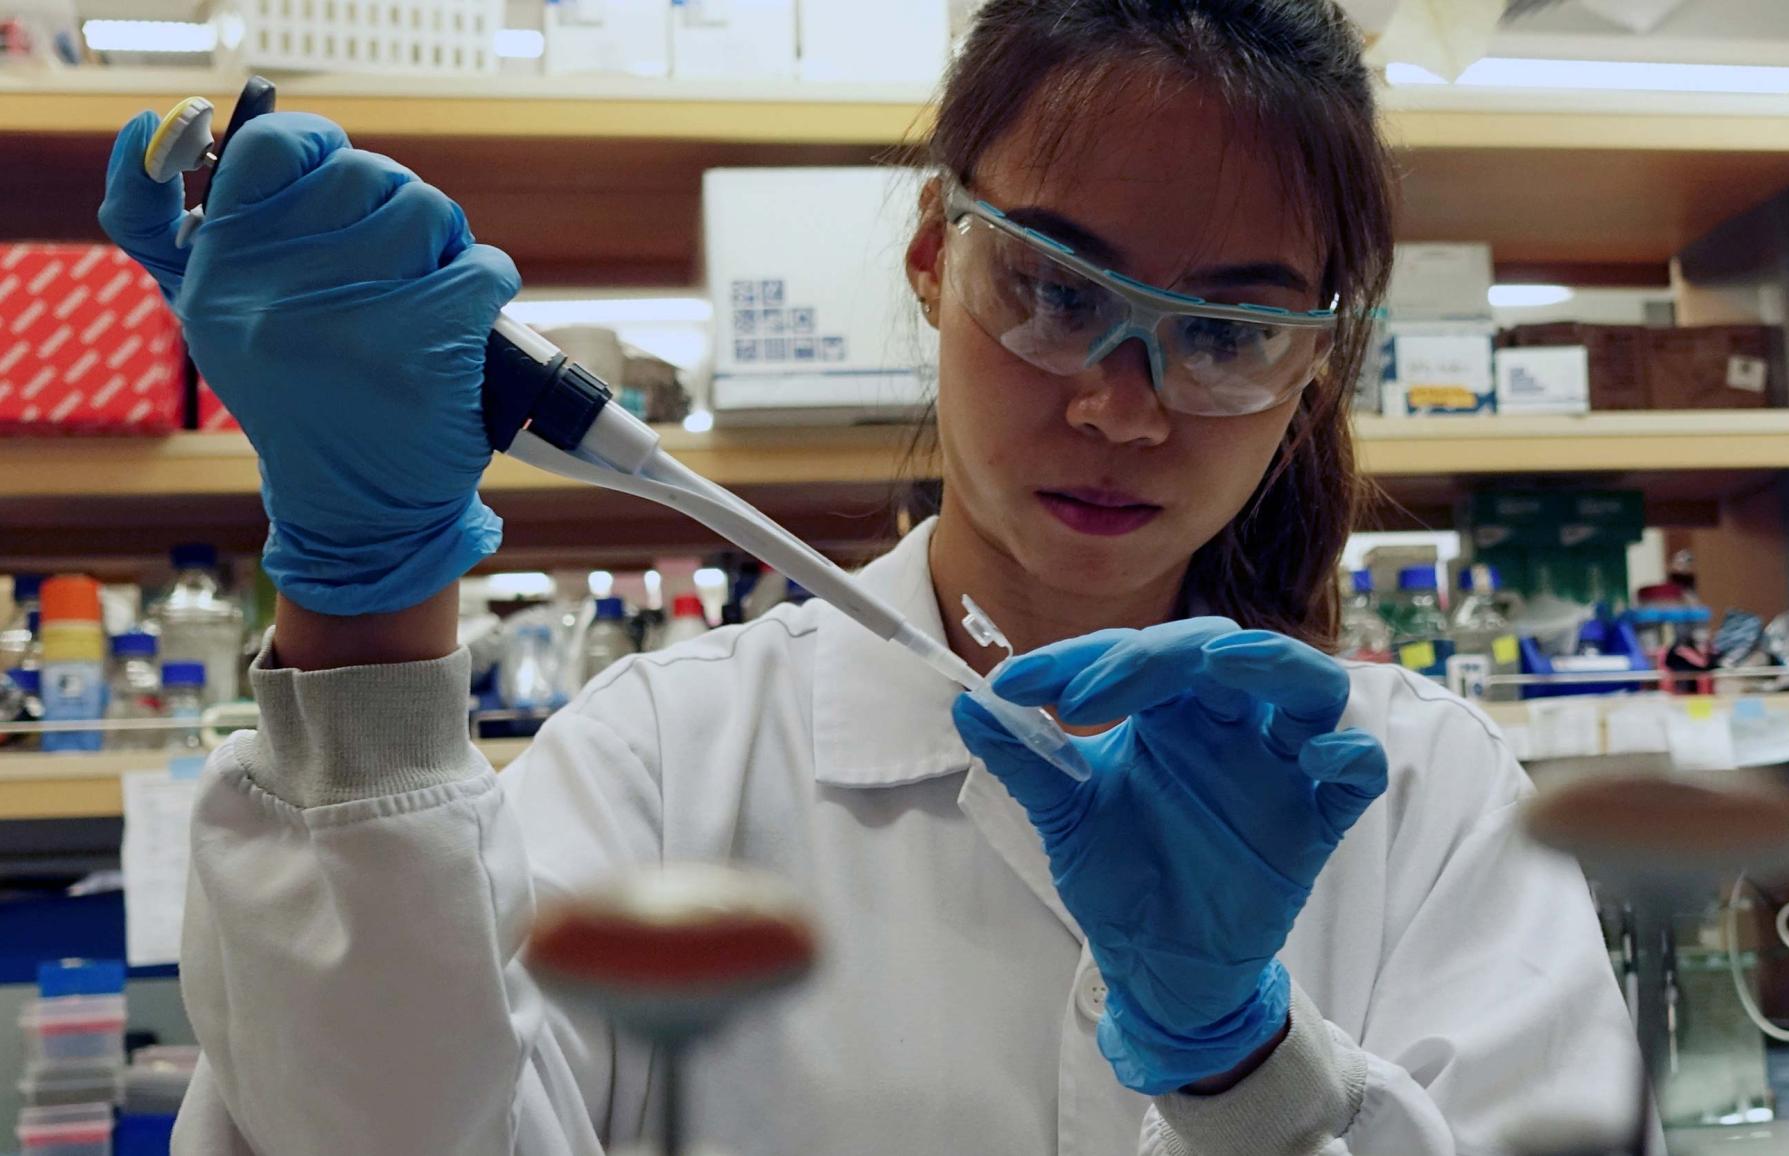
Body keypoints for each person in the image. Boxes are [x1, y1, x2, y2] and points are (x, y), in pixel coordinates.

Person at [99, 1, 1642, 1152]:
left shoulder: (1426, 797)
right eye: (1051, 288)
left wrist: (1246, 1064)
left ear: (1316, 370)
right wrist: (365, 621)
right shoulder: (665, 763)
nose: (1120, 401)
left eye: (1227, 331)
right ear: (934, 258)